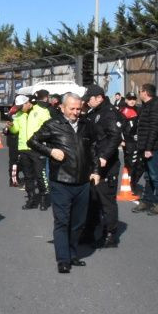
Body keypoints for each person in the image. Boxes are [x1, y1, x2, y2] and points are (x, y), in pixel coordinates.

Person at [28, 92, 101, 273]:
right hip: (61, 181)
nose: (76, 112)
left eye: (79, 108)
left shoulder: (86, 125)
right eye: (72, 109)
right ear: (62, 107)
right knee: (62, 221)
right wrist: (50, 151)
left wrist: (95, 171)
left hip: (82, 182)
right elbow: (33, 141)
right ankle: (63, 259)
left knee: (78, 222)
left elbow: (93, 148)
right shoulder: (53, 125)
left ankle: (72, 254)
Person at [82, 85, 123, 247]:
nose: (88, 102)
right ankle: (89, 231)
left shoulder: (109, 113)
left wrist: (105, 156)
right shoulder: (95, 113)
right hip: (93, 164)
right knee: (92, 199)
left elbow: (115, 137)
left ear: (99, 97)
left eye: (89, 99)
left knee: (106, 200)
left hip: (106, 164)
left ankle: (110, 235)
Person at [10, 91, 51, 210]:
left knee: (40, 175)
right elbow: (15, 130)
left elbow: (49, 128)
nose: (19, 109)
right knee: (28, 176)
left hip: (37, 148)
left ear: (28, 103)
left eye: (21, 106)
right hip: (23, 148)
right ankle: (31, 199)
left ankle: (44, 199)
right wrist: (11, 126)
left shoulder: (42, 111)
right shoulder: (19, 114)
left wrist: (40, 140)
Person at [135, 83, 158, 215]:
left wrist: (148, 148)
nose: (139, 94)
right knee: (148, 176)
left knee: (155, 176)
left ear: (145, 92)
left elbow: (154, 129)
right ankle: (147, 201)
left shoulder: (155, 107)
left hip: (152, 148)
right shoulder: (146, 107)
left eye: (140, 91)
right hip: (146, 147)